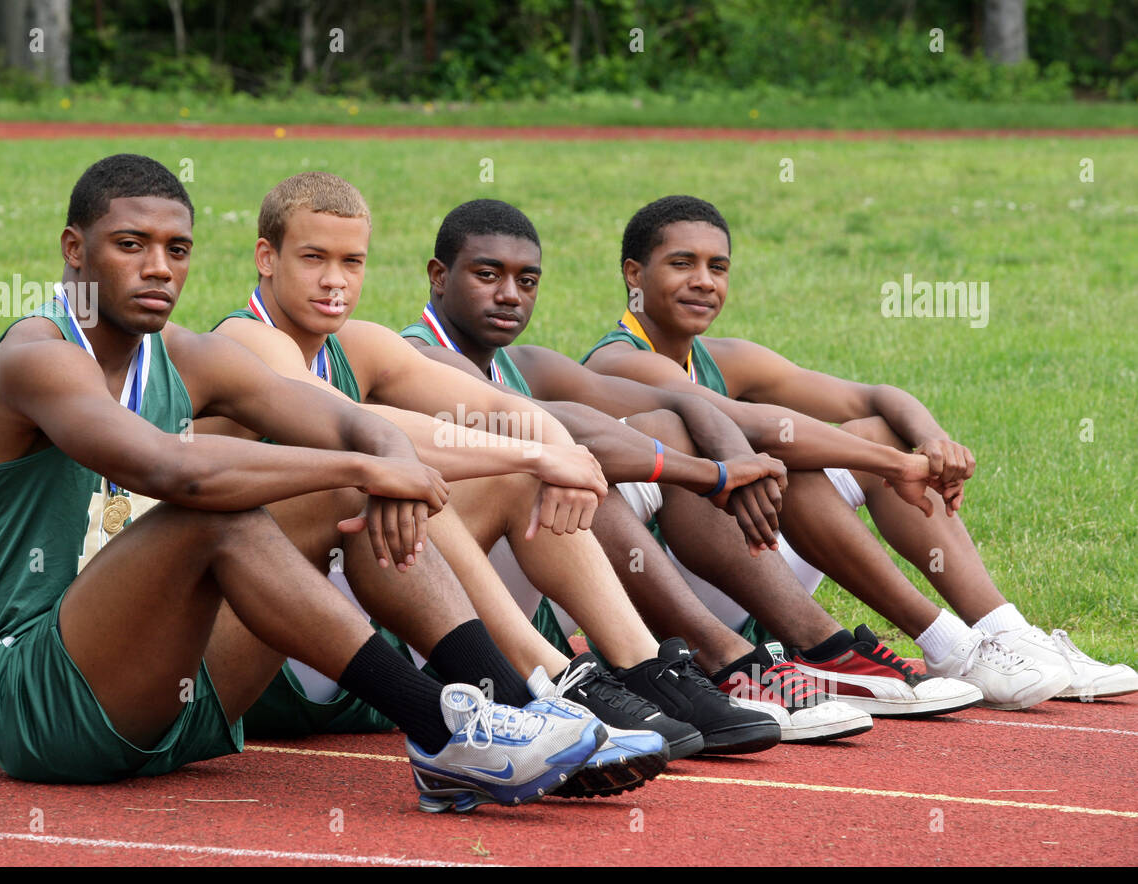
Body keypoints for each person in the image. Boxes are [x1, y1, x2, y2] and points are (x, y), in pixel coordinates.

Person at [0, 153, 607, 814]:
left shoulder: (186, 355)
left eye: (177, 250)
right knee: (211, 511)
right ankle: (439, 727)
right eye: (130, 245)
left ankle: (517, 711)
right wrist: (363, 465)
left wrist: (385, 462)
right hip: (41, 704)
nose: (158, 268)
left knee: (346, 493)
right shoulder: (35, 361)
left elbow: (347, 422)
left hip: (185, 697)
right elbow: (171, 471)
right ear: (74, 248)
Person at [206, 171, 786, 759]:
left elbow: (502, 408)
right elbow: (358, 430)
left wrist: (558, 455)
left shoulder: (360, 344)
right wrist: (537, 453)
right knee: (401, 474)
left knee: (509, 475)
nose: (335, 281)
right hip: (242, 654)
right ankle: (544, 684)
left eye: (351, 262)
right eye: (313, 258)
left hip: (359, 641)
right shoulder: (244, 339)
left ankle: (641, 669)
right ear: (266, 258)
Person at [404, 199, 990, 733]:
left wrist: (734, 454)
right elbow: (560, 427)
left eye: (526, 281)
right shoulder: (413, 357)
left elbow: (694, 400)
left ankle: (975, 637)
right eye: (488, 275)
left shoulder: (530, 360)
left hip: (580, 577)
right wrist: (711, 471)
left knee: (749, 449)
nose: (510, 294)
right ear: (439, 276)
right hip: (435, 592)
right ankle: (750, 657)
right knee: (593, 462)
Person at [585, 195, 1134, 706]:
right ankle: (951, 648)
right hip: (672, 592)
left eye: (718, 267)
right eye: (683, 264)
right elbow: (757, 425)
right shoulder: (616, 363)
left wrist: (931, 441)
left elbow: (873, 396)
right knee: (792, 457)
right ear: (635, 274)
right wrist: (899, 466)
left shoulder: (726, 357)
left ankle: (1007, 633)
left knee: (874, 431)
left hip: (749, 563)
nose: (704, 282)